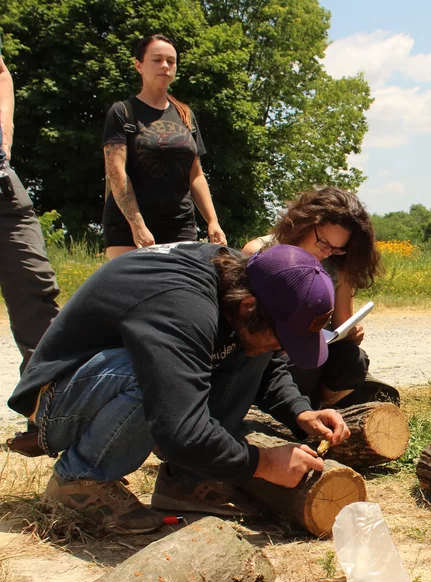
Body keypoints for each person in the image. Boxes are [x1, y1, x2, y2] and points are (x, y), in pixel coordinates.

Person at [8, 243, 352, 534]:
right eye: (284, 339)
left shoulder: (249, 285)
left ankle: (186, 479)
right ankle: (79, 480)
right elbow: (178, 426)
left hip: (107, 383)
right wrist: (262, 463)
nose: (283, 350)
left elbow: (267, 363)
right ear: (249, 308)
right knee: (152, 373)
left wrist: (300, 410)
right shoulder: (182, 304)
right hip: (59, 398)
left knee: (254, 348)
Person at [242, 186, 396, 407]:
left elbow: (340, 325)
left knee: (353, 358)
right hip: (270, 353)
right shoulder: (259, 252)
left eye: (337, 249)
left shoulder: (339, 265)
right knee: (291, 363)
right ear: (304, 223)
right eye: (323, 243)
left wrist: (349, 334)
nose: (326, 253)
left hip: (312, 350)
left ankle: (324, 409)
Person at [103, 34, 226, 259]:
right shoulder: (122, 112)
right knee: (132, 292)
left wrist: (212, 221)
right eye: (157, 59)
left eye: (171, 60)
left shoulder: (185, 114)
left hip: (179, 227)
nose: (165, 65)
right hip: (129, 228)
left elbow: (196, 175)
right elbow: (116, 173)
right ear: (139, 65)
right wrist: (137, 224)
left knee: (179, 292)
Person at [0, 35, 60, 376]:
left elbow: (1, 73)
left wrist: (5, 132)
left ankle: (46, 414)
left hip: (3, 186)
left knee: (37, 291)